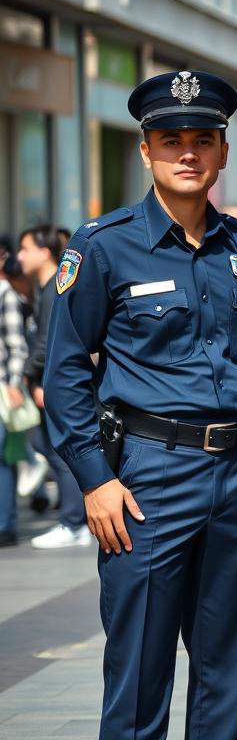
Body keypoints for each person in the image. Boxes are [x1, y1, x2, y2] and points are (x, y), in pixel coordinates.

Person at [44, 70, 237, 739]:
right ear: (146, 151)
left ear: (223, 151)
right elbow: (64, 370)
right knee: (140, 677)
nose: (188, 153)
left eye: (202, 140)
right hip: (149, 478)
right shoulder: (104, 245)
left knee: (227, 679)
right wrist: (95, 479)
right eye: (171, 140)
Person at [18, 225, 89, 548]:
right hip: (48, 383)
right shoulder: (45, 289)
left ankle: (74, 522)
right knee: (46, 446)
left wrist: (30, 376)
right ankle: (74, 520)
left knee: (62, 453)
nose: (20, 256)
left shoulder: (54, 290)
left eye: (26, 249)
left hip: (53, 385)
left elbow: (49, 342)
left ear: (45, 252)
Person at [0, 256, 26, 548]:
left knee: (2, 459)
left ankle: (5, 525)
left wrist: (13, 382)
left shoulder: (4, 293)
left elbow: (17, 345)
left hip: (1, 390)